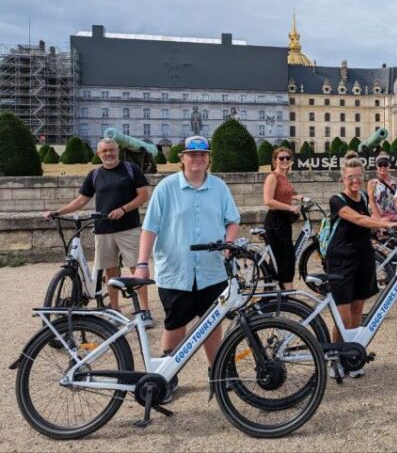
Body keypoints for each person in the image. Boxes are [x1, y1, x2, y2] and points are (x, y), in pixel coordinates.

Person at [134, 135, 240, 401]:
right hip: (176, 270)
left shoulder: (219, 187)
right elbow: (150, 228)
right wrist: (142, 264)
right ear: (182, 158)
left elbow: (232, 220)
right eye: (192, 155)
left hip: (211, 269)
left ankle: (216, 372)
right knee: (175, 324)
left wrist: (229, 242)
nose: (198, 159)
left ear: (208, 159)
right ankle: (166, 376)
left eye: (203, 155)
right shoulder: (167, 188)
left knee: (212, 324)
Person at [44, 137, 152, 326]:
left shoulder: (130, 169)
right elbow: (81, 201)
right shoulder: (94, 174)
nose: (108, 154)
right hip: (103, 229)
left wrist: (124, 209)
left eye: (111, 150)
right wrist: (57, 212)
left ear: (117, 150)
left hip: (129, 228)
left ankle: (144, 310)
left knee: (137, 268)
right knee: (110, 271)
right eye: (104, 151)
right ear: (98, 153)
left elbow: (144, 195)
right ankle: (115, 310)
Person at [327, 151, 397, 379]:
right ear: (343, 178)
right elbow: (358, 219)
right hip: (341, 262)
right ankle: (335, 359)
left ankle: (351, 357)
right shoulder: (337, 200)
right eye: (350, 176)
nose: (354, 180)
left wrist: (384, 227)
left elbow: (367, 223)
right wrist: (383, 223)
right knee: (343, 317)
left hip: (363, 259)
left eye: (358, 176)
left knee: (357, 312)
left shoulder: (362, 196)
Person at [263, 146, 302, 289]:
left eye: (287, 158)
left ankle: (273, 289)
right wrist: (290, 207)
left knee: (281, 257)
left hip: (283, 220)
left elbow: (283, 194)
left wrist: (296, 197)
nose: (285, 160)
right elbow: (268, 201)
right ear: (275, 161)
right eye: (281, 158)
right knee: (285, 257)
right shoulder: (272, 177)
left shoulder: (285, 176)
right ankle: (288, 291)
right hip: (275, 221)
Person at [367, 151, 397, 222]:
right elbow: (371, 201)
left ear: (389, 165)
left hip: (394, 216)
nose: (383, 167)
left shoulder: (396, 181)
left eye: (385, 164)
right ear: (376, 166)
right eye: (380, 164)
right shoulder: (372, 182)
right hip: (378, 216)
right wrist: (380, 219)